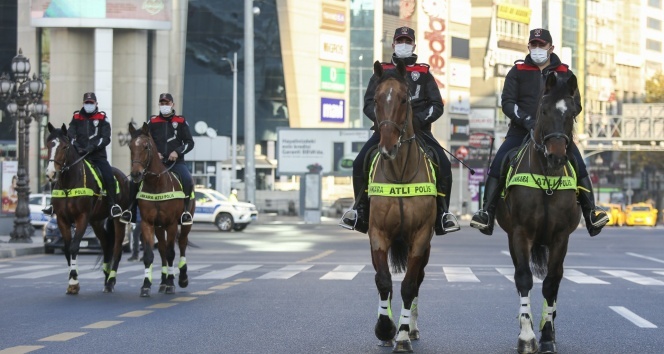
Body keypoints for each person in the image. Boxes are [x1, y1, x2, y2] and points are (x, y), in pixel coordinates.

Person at [470, 28, 609, 236]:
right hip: (520, 131)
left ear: (550, 48)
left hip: (556, 134)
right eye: (533, 45)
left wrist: (560, 121)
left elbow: (576, 105)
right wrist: (527, 121)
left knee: (579, 165)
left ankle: (591, 213)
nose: (536, 49)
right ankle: (486, 213)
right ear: (528, 46)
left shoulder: (566, 74)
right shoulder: (517, 71)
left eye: (541, 45)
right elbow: (507, 103)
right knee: (499, 163)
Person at [340, 26, 460, 236]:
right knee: (360, 162)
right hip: (386, 131)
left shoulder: (424, 72)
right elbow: (369, 103)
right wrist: (384, 122)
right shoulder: (381, 71)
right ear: (394, 44)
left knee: (443, 164)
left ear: (413, 45)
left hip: (419, 132)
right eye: (400, 41)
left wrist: (417, 121)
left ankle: (442, 214)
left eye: (407, 41)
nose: (403, 44)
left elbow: (437, 105)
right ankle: (360, 211)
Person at [42, 92, 122, 218]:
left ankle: (113, 205)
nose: (88, 105)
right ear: (83, 103)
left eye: (91, 103)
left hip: (97, 156)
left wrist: (92, 147)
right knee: (59, 172)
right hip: (78, 155)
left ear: (96, 104)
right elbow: (70, 135)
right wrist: (78, 147)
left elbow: (105, 138)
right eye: (86, 102)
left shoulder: (102, 118)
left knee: (108, 175)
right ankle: (53, 204)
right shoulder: (76, 117)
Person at [120, 93, 195, 225]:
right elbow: (145, 138)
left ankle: (185, 213)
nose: (164, 106)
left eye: (167, 103)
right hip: (156, 162)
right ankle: (130, 211)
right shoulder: (152, 121)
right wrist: (156, 153)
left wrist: (177, 152)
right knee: (134, 182)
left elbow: (190, 142)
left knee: (188, 180)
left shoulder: (181, 121)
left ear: (172, 104)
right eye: (162, 103)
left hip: (176, 162)